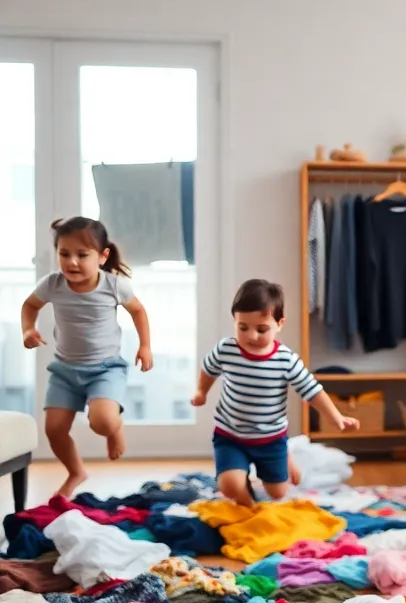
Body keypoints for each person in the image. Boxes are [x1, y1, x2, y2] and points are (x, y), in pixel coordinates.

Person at [192, 278, 359, 506]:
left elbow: (312, 391)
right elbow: (208, 369)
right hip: (230, 434)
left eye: (262, 329)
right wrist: (201, 392)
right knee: (230, 486)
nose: (251, 336)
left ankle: (287, 456)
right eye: (243, 328)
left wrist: (335, 416)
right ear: (235, 322)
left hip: (270, 439)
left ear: (279, 323)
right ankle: (248, 504)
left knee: (278, 493)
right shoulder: (226, 349)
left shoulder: (285, 360)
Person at [21, 216, 153, 497]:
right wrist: (28, 329)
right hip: (65, 371)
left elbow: (138, 311)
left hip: (106, 369)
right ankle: (76, 471)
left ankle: (115, 427)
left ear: (102, 257)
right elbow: (30, 305)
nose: (72, 262)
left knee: (102, 422)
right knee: (54, 429)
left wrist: (145, 346)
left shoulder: (114, 285)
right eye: (64, 254)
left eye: (82, 255)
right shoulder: (52, 284)